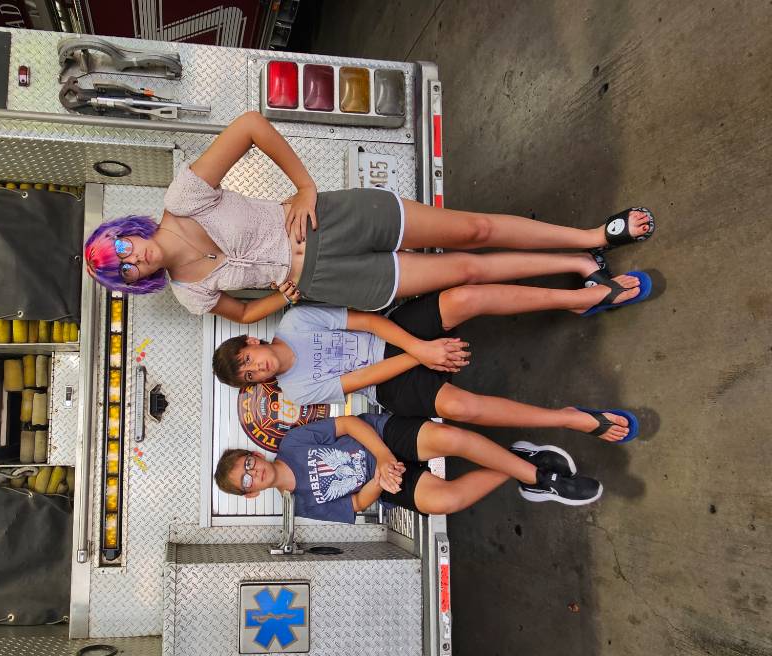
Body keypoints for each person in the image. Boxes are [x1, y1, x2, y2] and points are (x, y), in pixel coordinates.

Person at [85, 110, 655, 323]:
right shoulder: (189, 294)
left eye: (123, 249)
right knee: (465, 270)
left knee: (473, 229)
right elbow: (245, 314)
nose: (135, 260)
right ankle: (580, 271)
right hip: (333, 278)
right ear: (135, 282)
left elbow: (250, 126)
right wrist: (285, 296)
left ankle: (591, 235)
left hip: (336, 220)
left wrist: (304, 186)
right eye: (125, 270)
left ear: (127, 233)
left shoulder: (183, 198)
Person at [212, 280, 649, 443]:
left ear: (252, 340)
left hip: (392, 333)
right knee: (460, 408)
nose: (256, 369)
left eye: (248, 359)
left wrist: (421, 348)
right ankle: (570, 418)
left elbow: (369, 321)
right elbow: (361, 379)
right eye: (248, 376)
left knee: (464, 298)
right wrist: (420, 357)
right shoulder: (294, 390)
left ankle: (577, 299)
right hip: (385, 382)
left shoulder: (295, 320)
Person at [213, 414, 603, 519]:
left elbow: (348, 425)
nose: (253, 472)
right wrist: (380, 480)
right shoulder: (300, 505)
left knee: (451, 439)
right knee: (445, 501)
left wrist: (383, 457)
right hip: (387, 482)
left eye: (248, 463)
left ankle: (540, 478)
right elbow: (354, 505)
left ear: (255, 454)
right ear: (251, 494)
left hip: (382, 436)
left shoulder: (291, 443)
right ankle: (522, 463)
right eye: (246, 480)